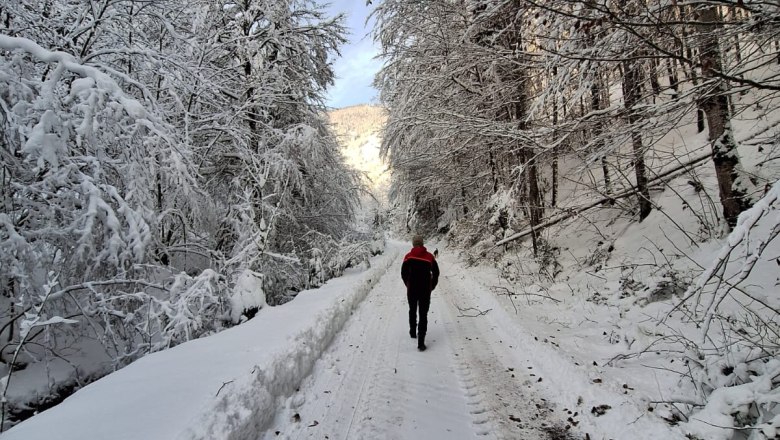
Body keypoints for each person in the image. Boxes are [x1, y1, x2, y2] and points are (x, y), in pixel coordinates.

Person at [401, 235, 439, 351]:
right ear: (422, 244)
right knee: (423, 314)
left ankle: (413, 332)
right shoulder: (430, 257)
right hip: (425, 290)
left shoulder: (408, 256)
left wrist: (408, 284)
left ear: (413, 244)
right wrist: (432, 286)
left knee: (412, 310)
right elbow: (436, 273)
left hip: (412, 289)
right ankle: (421, 343)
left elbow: (403, 273)